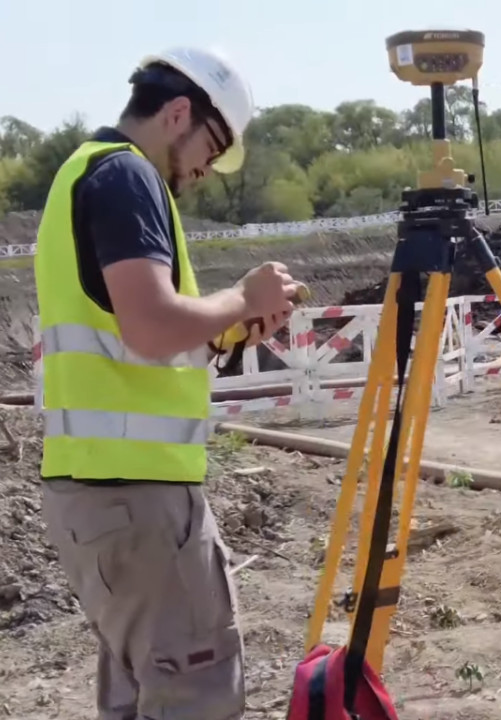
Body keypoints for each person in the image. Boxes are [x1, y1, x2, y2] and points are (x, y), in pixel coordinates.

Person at [34, 47, 302, 720]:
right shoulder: (128, 176)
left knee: (140, 700)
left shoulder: (84, 172)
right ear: (179, 113)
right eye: (211, 147)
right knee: (195, 699)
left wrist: (224, 332)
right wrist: (242, 297)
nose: (207, 169)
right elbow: (151, 326)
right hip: (139, 502)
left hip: (99, 499)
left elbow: (134, 340)